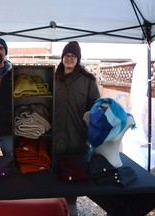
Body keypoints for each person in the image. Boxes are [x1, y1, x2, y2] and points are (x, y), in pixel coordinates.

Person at [54, 41, 100, 215]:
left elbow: (95, 106)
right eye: (66, 55)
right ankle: (56, 206)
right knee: (56, 175)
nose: (69, 58)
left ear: (78, 59)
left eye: (73, 56)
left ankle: (71, 205)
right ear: (62, 58)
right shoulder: (53, 78)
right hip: (55, 138)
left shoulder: (87, 81)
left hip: (77, 137)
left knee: (74, 175)